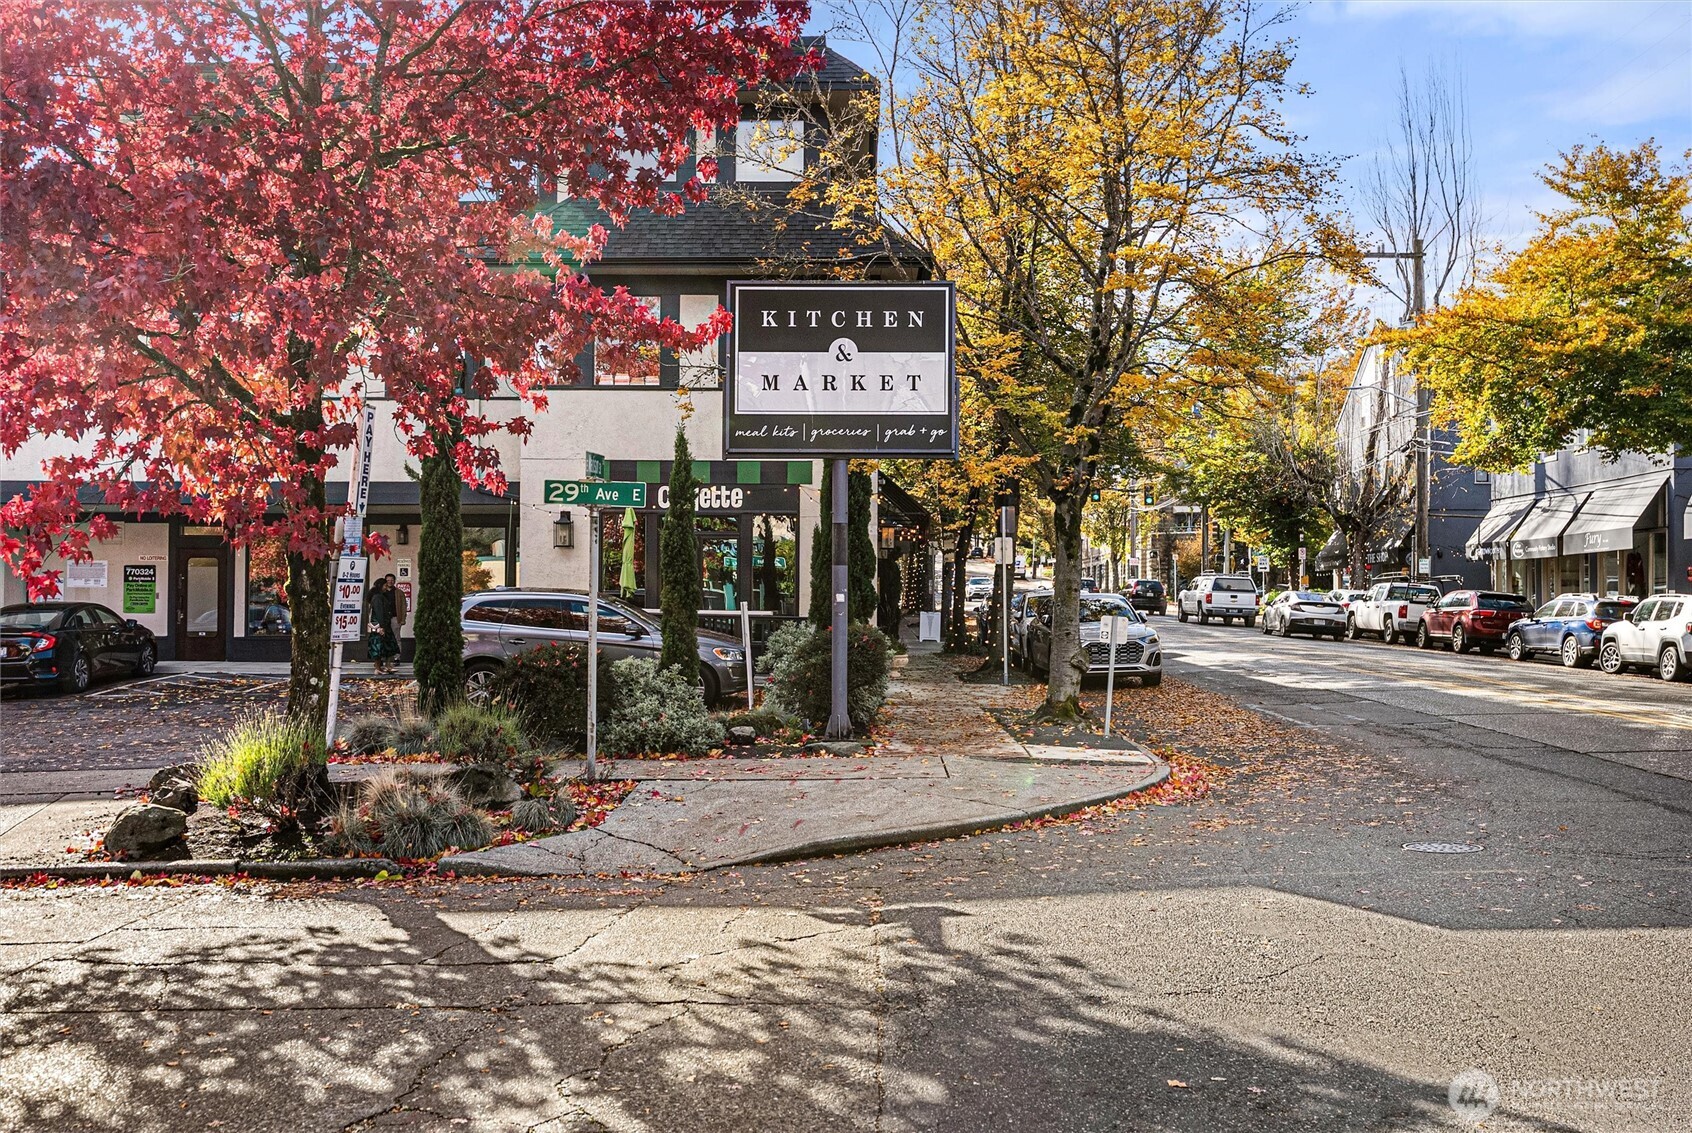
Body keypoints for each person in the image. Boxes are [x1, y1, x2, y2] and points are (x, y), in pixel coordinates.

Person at [367, 576, 398, 674]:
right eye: (385, 585)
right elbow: (379, 612)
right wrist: (382, 626)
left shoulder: (380, 596)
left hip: (384, 625)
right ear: (380, 586)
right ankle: (378, 668)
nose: (386, 587)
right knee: (379, 647)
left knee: (388, 646)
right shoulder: (377, 597)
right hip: (380, 626)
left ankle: (387, 666)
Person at [385, 573, 408, 664]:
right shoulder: (382, 592)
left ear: (394, 581)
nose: (390, 582)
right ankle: (384, 658)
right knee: (384, 638)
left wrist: (403, 619)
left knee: (396, 638)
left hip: (395, 618)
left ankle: (396, 658)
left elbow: (403, 606)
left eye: (391, 580)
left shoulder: (399, 592)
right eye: (388, 580)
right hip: (385, 619)